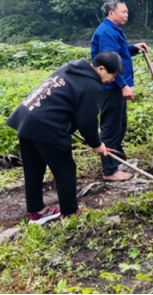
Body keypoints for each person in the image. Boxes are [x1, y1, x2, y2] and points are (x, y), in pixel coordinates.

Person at [5, 52, 123, 224]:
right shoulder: (92, 85)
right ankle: (70, 212)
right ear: (101, 68)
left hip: (27, 118)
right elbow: (87, 121)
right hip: (46, 125)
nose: (113, 79)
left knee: (34, 168)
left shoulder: (71, 69)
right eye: (112, 75)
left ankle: (37, 213)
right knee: (65, 169)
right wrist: (97, 144)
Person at [91, 0, 149, 181]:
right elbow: (110, 65)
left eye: (127, 12)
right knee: (110, 127)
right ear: (111, 13)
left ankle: (117, 158)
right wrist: (123, 85)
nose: (126, 15)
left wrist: (133, 48)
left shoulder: (113, 30)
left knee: (120, 125)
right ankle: (110, 171)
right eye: (123, 12)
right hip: (111, 87)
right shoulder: (106, 32)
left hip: (115, 85)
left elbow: (119, 54)